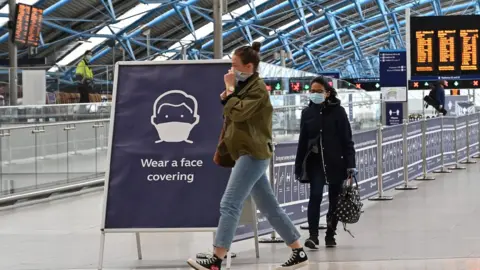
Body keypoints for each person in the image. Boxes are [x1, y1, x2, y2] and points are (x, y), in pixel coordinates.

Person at [187, 42, 309, 270]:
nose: (230, 70)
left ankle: (216, 259)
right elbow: (234, 110)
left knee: (229, 203)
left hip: (253, 153)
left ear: (249, 66)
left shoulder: (258, 88)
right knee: (269, 207)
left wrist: (230, 91)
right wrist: (229, 95)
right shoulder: (248, 86)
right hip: (248, 152)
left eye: (234, 65)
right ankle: (298, 251)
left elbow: (240, 113)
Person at [294, 77, 356, 250]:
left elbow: (347, 140)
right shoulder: (307, 113)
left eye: (318, 91)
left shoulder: (339, 112)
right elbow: (302, 141)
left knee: (334, 199)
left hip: (336, 161)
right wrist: (298, 166)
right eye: (312, 91)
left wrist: (351, 163)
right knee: (315, 196)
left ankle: (330, 233)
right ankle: (313, 236)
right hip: (315, 163)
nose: (314, 94)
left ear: (327, 93)